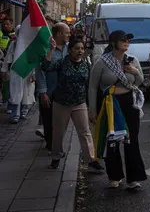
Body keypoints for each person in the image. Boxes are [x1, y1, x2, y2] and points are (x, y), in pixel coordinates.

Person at [88, 30, 147, 191]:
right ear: (113, 42)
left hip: (130, 103)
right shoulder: (102, 62)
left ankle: (133, 178)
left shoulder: (132, 60)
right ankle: (114, 176)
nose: (127, 42)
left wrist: (134, 72)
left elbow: (140, 81)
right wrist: (92, 110)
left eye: (128, 39)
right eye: (123, 39)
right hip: (110, 103)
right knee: (112, 140)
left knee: (131, 140)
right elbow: (93, 86)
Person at [42, 37, 104, 173]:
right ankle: (56, 156)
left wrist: (91, 105)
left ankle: (91, 160)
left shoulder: (86, 65)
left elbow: (89, 85)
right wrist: (51, 50)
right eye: (77, 48)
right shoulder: (62, 63)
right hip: (61, 103)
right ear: (70, 51)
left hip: (79, 102)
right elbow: (46, 67)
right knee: (58, 132)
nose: (80, 51)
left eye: (82, 48)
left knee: (85, 132)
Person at [38, 22, 70, 152]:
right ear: (58, 34)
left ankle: (57, 143)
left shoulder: (70, 48)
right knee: (48, 120)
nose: (69, 35)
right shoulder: (45, 49)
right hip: (49, 91)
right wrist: (43, 92)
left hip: (64, 92)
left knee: (60, 122)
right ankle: (50, 143)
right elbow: (40, 71)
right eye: (67, 32)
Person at [3, 26, 36, 123]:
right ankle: (15, 114)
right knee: (16, 93)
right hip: (16, 71)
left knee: (27, 93)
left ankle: (24, 111)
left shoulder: (30, 44)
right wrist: (4, 70)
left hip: (27, 71)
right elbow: (8, 57)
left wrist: (33, 73)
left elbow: (33, 60)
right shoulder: (13, 44)